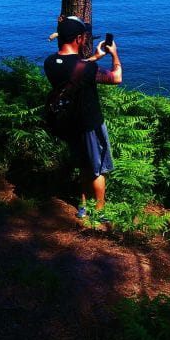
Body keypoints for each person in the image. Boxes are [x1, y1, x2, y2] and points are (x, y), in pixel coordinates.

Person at [43, 16, 122, 218]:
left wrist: (94, 58)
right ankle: (100, 212)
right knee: (97, 169)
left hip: (69, 125)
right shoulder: (87, 69)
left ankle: (83, 206)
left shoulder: (50, 63)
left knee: (83, 164)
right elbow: (116, 78)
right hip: (89, 124)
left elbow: (73, 68)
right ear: (79, 39)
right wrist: (114, 55)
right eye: (84, 36)